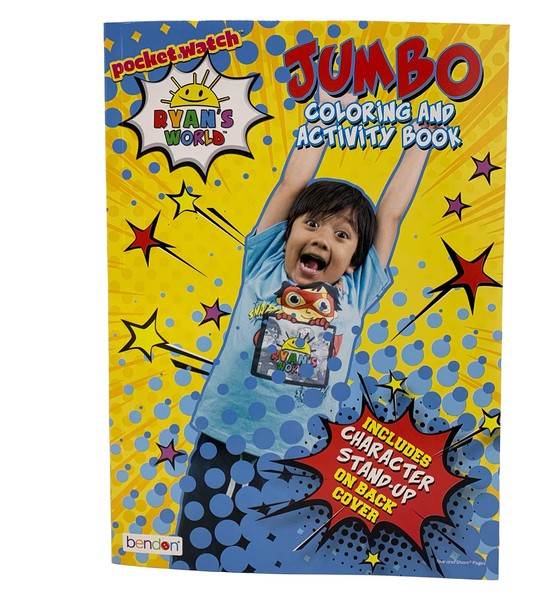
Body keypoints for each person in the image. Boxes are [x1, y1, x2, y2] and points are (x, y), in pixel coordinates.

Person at [173, 92, 432, 571]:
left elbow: (391, 214)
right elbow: (293, 182)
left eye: (341, 234)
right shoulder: (265, 264)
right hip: (225, 434)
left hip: (302, 455)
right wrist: (325, 111)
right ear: (288, 232)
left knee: (272, 559)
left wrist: (422, 139)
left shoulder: (356, 290)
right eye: (311, 223)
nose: (321, 237)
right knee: (198, 545)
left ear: (354, 260)